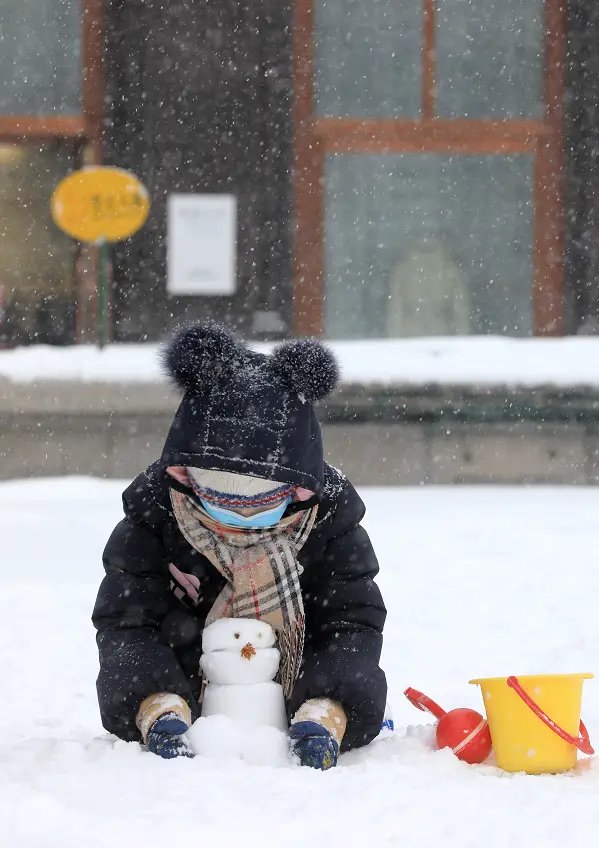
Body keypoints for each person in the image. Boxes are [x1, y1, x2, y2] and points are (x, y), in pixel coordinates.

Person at [92, 320, 387, 769]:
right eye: (221, 500)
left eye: (262, 502)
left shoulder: (329, 521)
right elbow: (127, 621)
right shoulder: (156, 515)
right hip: (187, 681)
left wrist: (330, 703)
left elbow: (352, 622)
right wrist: (155, 699)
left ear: (299, 491)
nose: (242, 517)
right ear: (185, 479)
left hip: (297, 689)